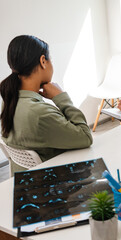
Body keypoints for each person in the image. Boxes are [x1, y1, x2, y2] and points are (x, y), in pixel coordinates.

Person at [0, 35, 93, 174]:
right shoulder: (39, 113)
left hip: (24, 180)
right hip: (52, 182)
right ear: (43, 61)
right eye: (51, 61)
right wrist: (61, 98)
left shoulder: (9, 99)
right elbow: (85, 137)